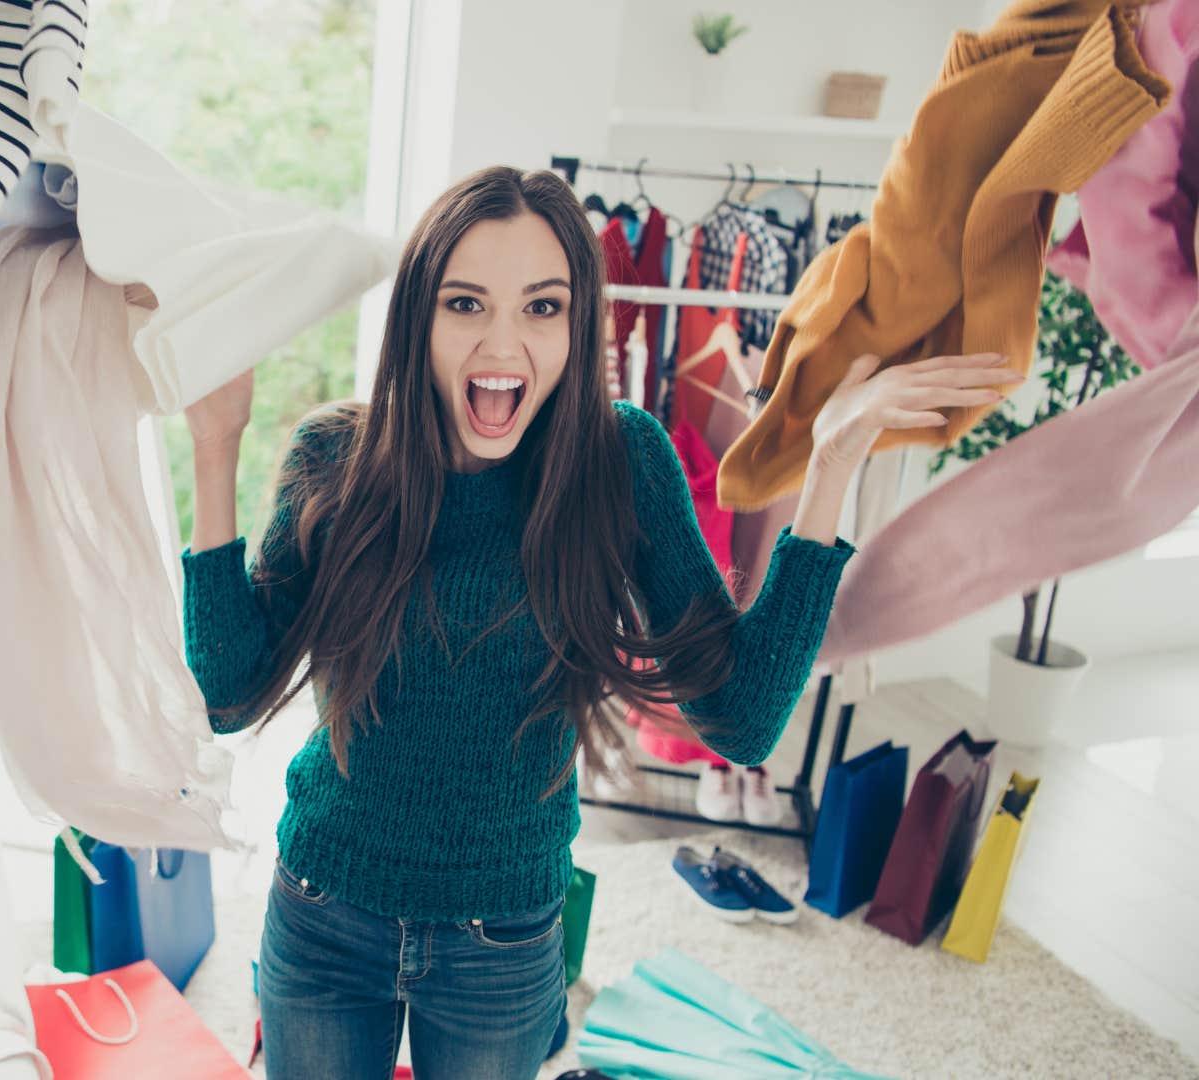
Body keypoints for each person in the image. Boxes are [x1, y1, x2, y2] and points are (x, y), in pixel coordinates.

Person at [177, 166, 1020, 1079]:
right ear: (418, 318)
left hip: (500, 937)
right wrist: (215, 446)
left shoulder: (621, 460)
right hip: (325, 907)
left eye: (543, 308)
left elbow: (740, 721)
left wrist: (831, 467)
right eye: (467, 304)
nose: (505, 342)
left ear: (581, 326)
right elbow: (228, 696)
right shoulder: (336, 457)